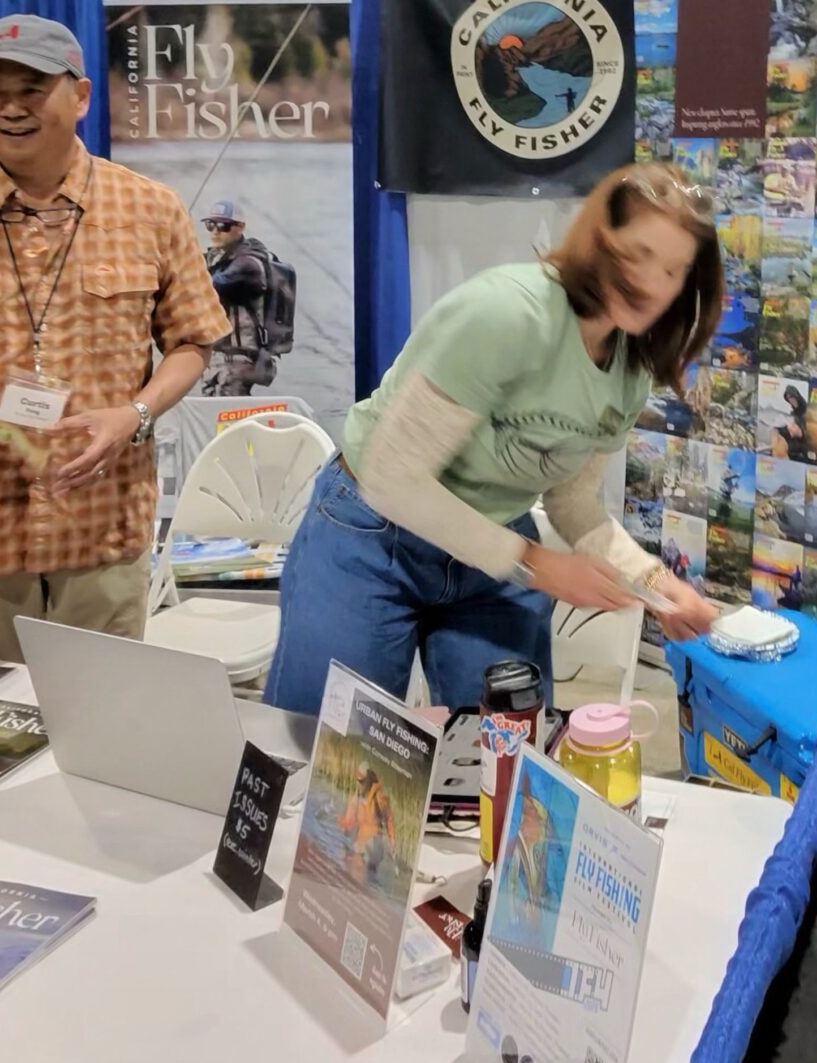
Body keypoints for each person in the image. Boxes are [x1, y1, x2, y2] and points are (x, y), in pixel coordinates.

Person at [264, 165, 724, 717]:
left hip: (494, 551)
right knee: (325, 740)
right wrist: (537, 564)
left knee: (510, 740)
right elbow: (392, 479)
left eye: (673, 269)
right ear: (600, 239)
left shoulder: (630, 372)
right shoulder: (508, 313)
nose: (652, 281)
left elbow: (573, 503)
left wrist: (656, 584)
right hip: (374, 534)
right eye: (640, 252)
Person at [0, 15, 229, 660]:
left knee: (105, 711)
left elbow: (193, 342)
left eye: (32, 88)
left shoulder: (151, 209)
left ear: (80, 97)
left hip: (102, 527)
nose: (10, 108)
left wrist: (134, 414)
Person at [200, 202, 278, 396]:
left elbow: (210, 284)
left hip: (238, 359)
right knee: (214, 409)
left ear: (240, 227)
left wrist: (184, 272)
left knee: (227, 410)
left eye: (223, 226)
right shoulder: (219, 259)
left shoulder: (248, 264)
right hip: (218, 357)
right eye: (210, 225)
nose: (216, 231)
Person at [340, 763, 397, 884]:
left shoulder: (379, 798)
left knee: (360, 870)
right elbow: (348, 822)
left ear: (369, 780)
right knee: (346, 862)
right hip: (360, 845)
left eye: (362, 781)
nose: (359, 784)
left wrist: (392, 842)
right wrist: (345, 827)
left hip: (374, 844)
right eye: (358, 780)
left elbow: (389, 819)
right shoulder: (356, 798)